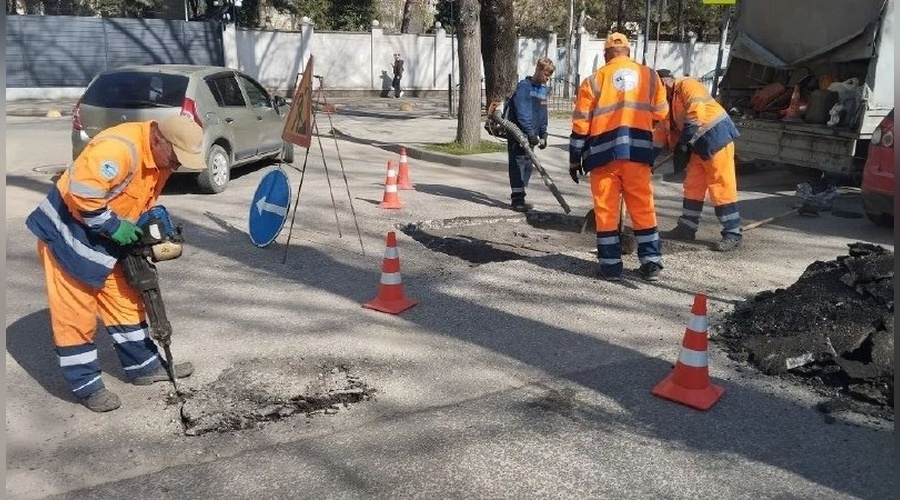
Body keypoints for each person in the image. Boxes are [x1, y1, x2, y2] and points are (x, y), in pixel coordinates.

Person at [25, 115, 206, 412]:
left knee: (127, 302)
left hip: (105, 240)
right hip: (67, 238)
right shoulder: (118, 149)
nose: (176, 165)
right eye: (175, 157)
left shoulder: (160, 159)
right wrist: (114, 227)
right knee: (76, 315)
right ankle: (86, 386)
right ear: (159, 138)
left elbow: (136, 198)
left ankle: (144, 367)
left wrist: (147, 222)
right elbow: (84, 196)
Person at [568, 33, 668, 281]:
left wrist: (574, 157)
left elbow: (581, 123)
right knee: (643, 207)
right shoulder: (651, 76)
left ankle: (611, 266)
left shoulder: (594, 80)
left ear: (605, 55)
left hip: (603, 156)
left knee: (606, 211)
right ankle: (652, 262)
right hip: (637, 153)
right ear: (628, 53)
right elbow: (662, 113)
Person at [656, 68, 743, 251]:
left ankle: (733, 233)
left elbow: (695, 115)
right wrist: (647, 158)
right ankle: (687, 227)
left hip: (716, 138)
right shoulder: (666, 102)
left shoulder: (688, 85)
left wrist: (683, 143)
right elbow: (662, 133)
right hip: (698, 144)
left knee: (721, 185)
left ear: (663, 83)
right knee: (693, 185)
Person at [507, 56, 555, 212]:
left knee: (527, 166)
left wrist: (543, 132)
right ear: (539, 70)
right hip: (519, 133)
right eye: (546, 75)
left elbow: (542, 113)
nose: (547, 79)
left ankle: (521, 197)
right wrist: (530, 132)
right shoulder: (524, 87)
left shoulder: (542, 90)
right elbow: (523, 112)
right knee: (518, 164)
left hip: (532, 134)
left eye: (549, 76)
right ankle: (517, 200)